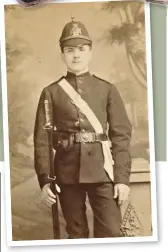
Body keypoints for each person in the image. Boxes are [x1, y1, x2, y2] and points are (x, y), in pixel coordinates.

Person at [34, 19, 132, 239]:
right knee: (76, 234)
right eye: (69, 50)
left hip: (102, 171)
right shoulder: (51, 92)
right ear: (62, 55)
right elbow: (41, 141)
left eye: (81, 49)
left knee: (112, 232)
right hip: (67, 174)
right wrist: (45, 181)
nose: (75, 55)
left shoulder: (107, 89)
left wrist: (122, 179)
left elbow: (121, 136)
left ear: (89, 52)